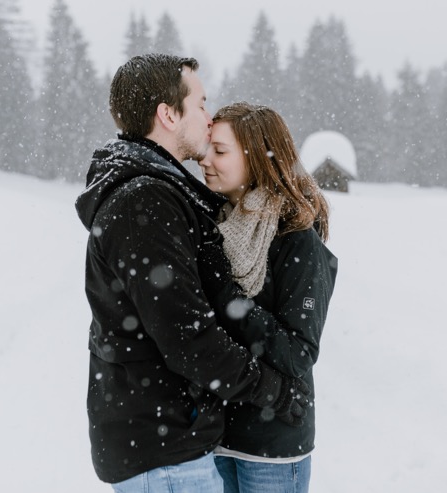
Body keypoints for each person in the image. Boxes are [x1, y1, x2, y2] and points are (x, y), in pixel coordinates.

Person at [75, 54, 311, 491]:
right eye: (200, 103)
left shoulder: (156, 191)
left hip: (169, 442)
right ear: (168, 114)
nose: (207, 117)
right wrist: (274, 392)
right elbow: (189, 339)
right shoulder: (144, 201)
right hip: (162, 450)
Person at [197, 102, 337, 492]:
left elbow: (297, 352)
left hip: (272, 446)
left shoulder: (296, 239)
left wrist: (226, 293)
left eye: (220, 151)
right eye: (208, 148)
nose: (205, 159)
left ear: (257, 156)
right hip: (217, 435)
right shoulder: (217, 225)